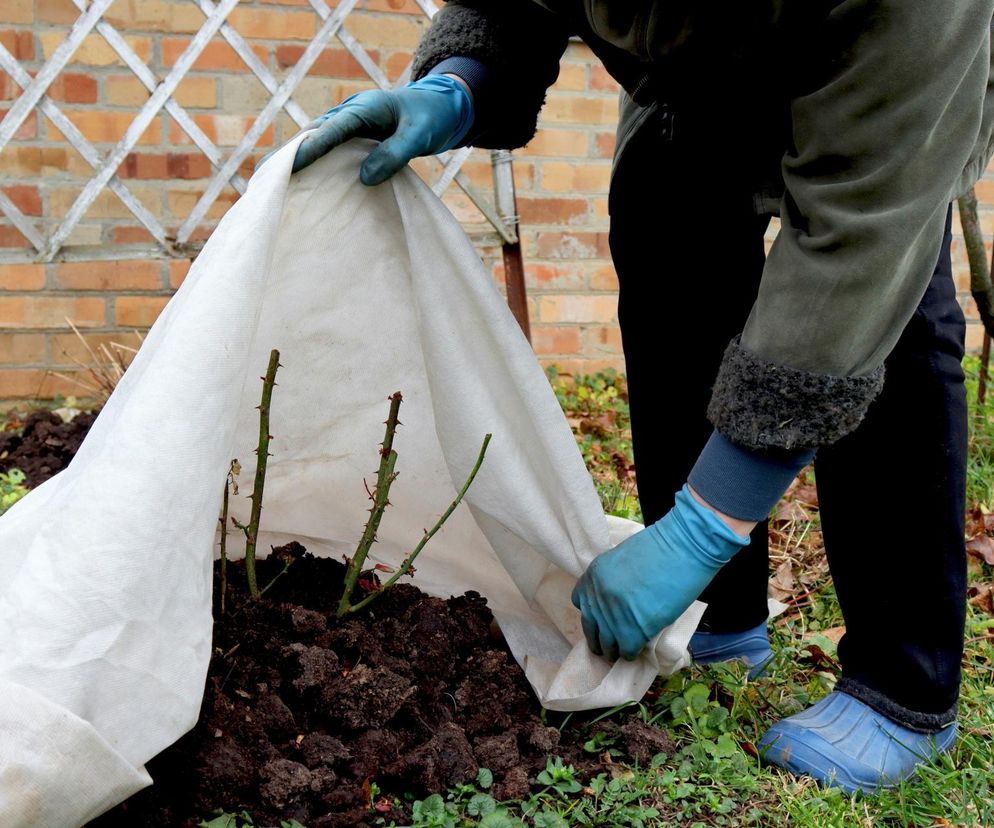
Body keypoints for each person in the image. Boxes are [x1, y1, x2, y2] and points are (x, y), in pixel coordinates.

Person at [283, 1, 994, 793]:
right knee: (663, 206)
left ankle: (902, 687)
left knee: (887, 303)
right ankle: (718, 617)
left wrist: (703, 526)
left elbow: (862, 239)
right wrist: (462, 81)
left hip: (889, 79)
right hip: (697, 66)